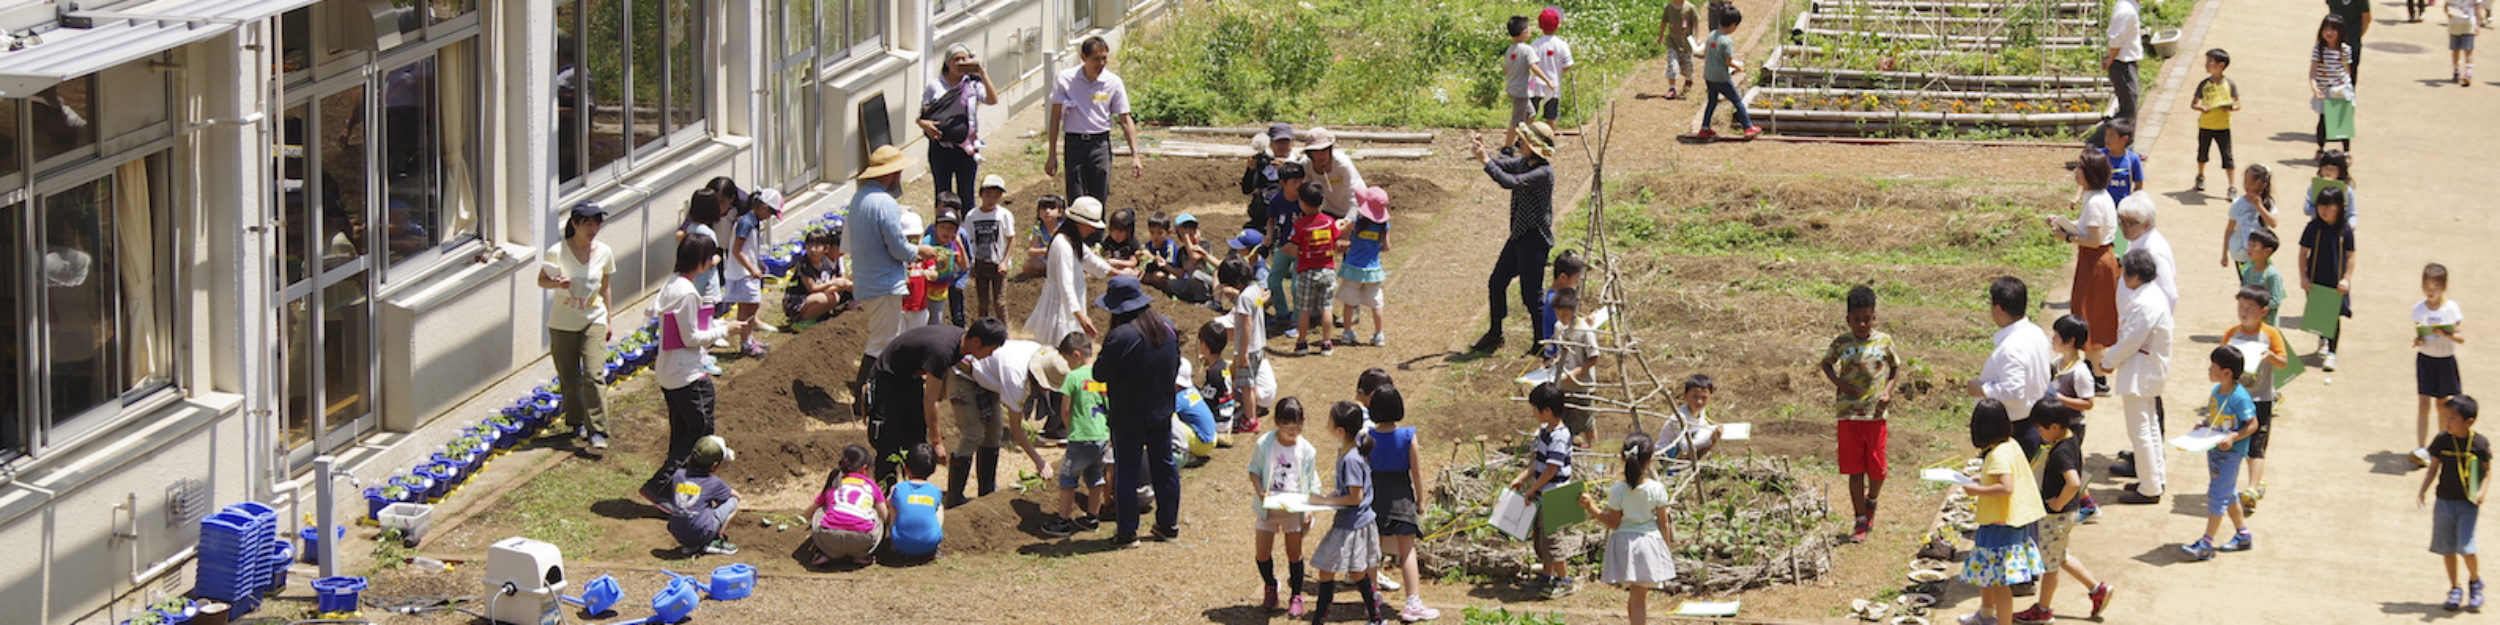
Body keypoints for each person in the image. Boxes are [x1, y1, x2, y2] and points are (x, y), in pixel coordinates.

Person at [639, 234, 748, 511]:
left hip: (670, 372)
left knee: (682, 432)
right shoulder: (687, 293)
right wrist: (726, 329)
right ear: (700, 259)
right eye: (711, 257)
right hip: (687, 374)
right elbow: (690, 338)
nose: (714, 261)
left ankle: (676, 489)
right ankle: (661, 486)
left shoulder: (672, 285)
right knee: (699, 434)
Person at [847, 146, 940, 415]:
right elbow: (897, 246)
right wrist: (918, 252)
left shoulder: (859, 198)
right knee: (882, 342)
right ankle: (866, 399)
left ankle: (873, 397)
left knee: (884, 339)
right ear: (892, 173)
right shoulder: (884, 202)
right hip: (883, 282)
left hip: (869, 279)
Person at [1099, 275, 1186, 545]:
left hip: (1128, 416)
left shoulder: (1120, 336)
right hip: (1161, 411)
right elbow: (1176, 363)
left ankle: (1127, 532)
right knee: (1165, 466)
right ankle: (1168, 525)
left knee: (1127, 469)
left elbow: (1100, 372)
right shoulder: (1167, 327)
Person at [2012, 399, 2115, 623]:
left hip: (2056, 515)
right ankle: (2097, 589)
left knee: (2050, 565)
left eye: (2040, 429)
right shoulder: (2070, 438)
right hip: (2067, 513)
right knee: (2060, 555)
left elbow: (2074, 482)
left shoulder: (2060, 452)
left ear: (2055, 426)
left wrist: (2058, 502)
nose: (2038, 433)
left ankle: (2044, 609)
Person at [870, 320, 1008, 485]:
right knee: (888, 440)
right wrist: (937, 442)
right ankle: (885, 493)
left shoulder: (961, 344)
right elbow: (931, 399)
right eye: (990, 349)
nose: (991, 355)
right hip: (888, 379)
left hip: (911, 378)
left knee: (915, 437)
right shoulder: (942, 350)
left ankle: (913, 492)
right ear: (977, 342)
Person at [1469, 122, 1559, 354]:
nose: (1519, 144)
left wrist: (1485, 161)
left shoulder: (1542, 173)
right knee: (1496, 282)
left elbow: (1509, 181)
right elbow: (1502, 164)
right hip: (1519, 236)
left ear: (1534, 147)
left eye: (1524, 141)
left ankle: (1542, 343)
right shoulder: (1523, 163)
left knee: (1532, 296)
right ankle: (1495, 333)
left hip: (1534, 240)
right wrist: (1483, 150)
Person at [1957, 399, 2048, 625]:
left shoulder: (1997, 455)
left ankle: (2002, 621)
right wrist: (1984, 479)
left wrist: (1976, 489)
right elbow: (2005, 477)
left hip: (2001, 523)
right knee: (1987, 572)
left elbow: (2006, 487)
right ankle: (1986, 614)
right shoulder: (2010, 444)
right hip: (2008, 520)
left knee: (1999, 581)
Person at [1826, 284, 1904, 542]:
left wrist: (1888, 391)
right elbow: (1826, 364)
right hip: (1848, 415)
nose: (1862, 325)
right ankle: (1860, 518)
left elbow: (1894, 369)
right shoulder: (1841, 343)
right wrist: (1839, 383)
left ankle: (1872, 500)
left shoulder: (1884, 342)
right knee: (1854, 469)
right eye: (1857, 320)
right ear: (1848, 319)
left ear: (1874, 317)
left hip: (1875, 415)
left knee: (1878, 468)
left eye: (1867, 319)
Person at [1302, 401, 1388, 624]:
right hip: (1356, 521)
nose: (1326, 424)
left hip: (1351, 524)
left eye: (1329, 421)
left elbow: (1354, 497)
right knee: (1357, 572)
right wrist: (1327, 499)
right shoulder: (1350, 450)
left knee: (1326, 567)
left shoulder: (1350, 458)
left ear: (1340, 430)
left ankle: (1320, 618)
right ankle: (1375, 616)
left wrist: (1323, 500)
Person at [1577, 432, 1676, 625]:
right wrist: (1666, 548)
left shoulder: (1617, 491)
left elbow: (1613, 522)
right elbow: (1664, 523)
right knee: (1639, 599)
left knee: (1635, 596)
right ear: (1651, 458)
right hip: (1647, 545)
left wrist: (1591, 508)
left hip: (1625, 546)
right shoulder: (1657, 489)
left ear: (1623, 457)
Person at [947, 334, 1057, 506]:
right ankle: (954, 498)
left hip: (988, 380)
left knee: (994, 433)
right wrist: (1039, 461)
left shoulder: (1038, 351)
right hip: (964, 374)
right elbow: (1016, 429)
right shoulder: (1016, 379)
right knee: (973, 435)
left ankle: (987, 491)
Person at [542, 201, 615, 448]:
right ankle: (576, 421)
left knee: (593, 374)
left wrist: (609, 319)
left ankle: (599, 431)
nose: (594, 228)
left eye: (597, 222)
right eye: (588, 223)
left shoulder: (604, 252)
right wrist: (557, 284)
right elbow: (542, 280)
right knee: (569, 377)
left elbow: (605, 287)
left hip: (593, 318)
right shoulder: (557, 251)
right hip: (563, 323)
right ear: (574, 224)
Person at [2102, 250, 2174, 504]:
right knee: (2150, 427)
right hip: (2147, 367)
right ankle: (2152, 478)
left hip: (2141, 370)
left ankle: (2150, 487)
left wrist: (2108, 361)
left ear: (2133, 276)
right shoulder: (2152, 295)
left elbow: (2130, 340)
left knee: (2141, 430)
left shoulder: (2145, 303)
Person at [1367, 385, 1439, 621]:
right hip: (1402, 498)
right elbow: (1416, 472)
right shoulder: (1408, 436)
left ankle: (1371, 596)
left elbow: (1364, 469)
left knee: (1373, 551)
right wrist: (1420, 500)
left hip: (1375, 499)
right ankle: (1412, 602)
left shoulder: (1368, 437)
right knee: (1407, 551)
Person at [2180, 347, 2259, 561]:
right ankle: (2243, 535)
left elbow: (2253, 424)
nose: (2208, 370)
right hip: (2215, 449)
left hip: (2231, 454)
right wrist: (2204, 424)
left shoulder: (2240, 397)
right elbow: (2216, 418)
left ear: (2227, 373)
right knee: (2228, 492)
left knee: (2217, 495)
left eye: (2213, 367)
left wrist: (2233, 437)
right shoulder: (2216, 391)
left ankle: (2206, 543)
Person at [1044, 36, 1144, 202]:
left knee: (1099, 196)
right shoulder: (1066, 79)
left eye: (1104, 58)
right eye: (1096, 59)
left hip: (1100, 143)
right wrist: (1052, 154)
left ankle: (1098, 228)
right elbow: (1055, 117)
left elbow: (1125, 120)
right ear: (1083, 58)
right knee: (1076, 197)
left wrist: (1135, 154)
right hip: (1074, 143)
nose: (1101, 64)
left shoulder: (1113, 82)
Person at [2055, 150, 2121, 394]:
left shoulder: (2094, 202)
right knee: (2092, 315)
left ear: (2089, 173)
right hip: (2099, 260)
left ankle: (2099, 376)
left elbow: (2093, 240)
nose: (2076, 172)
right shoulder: (2098, 196)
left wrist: (2067, 236)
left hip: (2095, 261)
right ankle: (2096, 372)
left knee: (2088, 317)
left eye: (2079, 168)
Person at [2222, 285, 2291, 516]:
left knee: (2256, 444)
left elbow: (2284, 362)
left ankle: (2251, 488)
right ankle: (2239, 485)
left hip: (2261, 398)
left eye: (2250, 308)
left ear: (2263, 311)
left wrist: (2271, 356)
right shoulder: (2232, 333)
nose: (2243, 312)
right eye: (2241, 306)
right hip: (2235, 399)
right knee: (2233, 442)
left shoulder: (2270, 335)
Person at [1249, 398, 1320, 615]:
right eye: (1287, 427)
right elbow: (1254, 470)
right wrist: (1261, 492)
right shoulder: (1265, 444)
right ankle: (1270, 586)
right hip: (1269, 508)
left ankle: (1296, 595)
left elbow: (1312, 481)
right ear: (1277, 422)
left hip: (1294, 510)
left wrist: (1308, 509)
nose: (1293, 431)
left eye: (1297, 427)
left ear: (1303, 422)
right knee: (1262, 553)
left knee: (1294, 553)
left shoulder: (1306, 450)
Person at [2420, 395, 2489, 612]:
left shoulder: (2479, 443)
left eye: (2452, 418)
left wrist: (2482, 492)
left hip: (2468, 504)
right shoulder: (2442, 440)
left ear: (2468, 421)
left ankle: (2475, 582)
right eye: (2446, 417)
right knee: (2448, 548)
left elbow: (2487, 473)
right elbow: (2433, 468)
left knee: (2466, 548)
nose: (2447, 422)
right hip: (2444, 502)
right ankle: (2455, 588)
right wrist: (2423, 490)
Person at [1510, 382, 1579, 598]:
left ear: (1547, 410)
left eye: (1535, 409)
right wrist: (1522, 479)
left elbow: (1551, 469)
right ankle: (1546, 575)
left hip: (1555, 495)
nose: (1534, 413)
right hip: (1543, 493)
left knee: (1553, 539)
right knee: (1541, 536)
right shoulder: (1545, 432)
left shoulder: (1560, 436)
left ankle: (1564, 580)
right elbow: (1538, 463)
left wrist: (1533, 489)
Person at [1969, 277, 2054, 452]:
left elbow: (2014, 390)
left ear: (1999, 308)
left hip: (2014, 429)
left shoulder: (2011, 348)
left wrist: (1982, 389)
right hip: (2032, 420)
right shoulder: (2036, 333)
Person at [1042, 332, 1112, 537]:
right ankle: (1092, 518)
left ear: (1076, 355)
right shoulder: (1101, 377)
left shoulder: (1073, 377)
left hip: (1080, 437)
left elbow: (1065, 409)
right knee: (1095, 477)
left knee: (1067, 477)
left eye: (1066, 360)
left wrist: (1069, 427)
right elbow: (1108, 405)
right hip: (1101, 436)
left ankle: (1063, 521)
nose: (1067, 365)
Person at [1026, 197, 1117, 343]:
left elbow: (1091, 261)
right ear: (1079, 223)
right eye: (1090, 225)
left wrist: (1118, 273)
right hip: (1061, 307)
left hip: (1071, 306)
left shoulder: (1073, 239)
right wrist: (1081, 317)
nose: (1093, 230)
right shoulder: (1062, 245)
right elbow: (1065, 285)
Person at [920, 43, 998, 207]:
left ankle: (965, 228)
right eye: (956, 59)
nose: (960, 63)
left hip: (967, 149)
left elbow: (992, 100)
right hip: (941, 148)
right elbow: (922, 116)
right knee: (942, 194)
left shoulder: (972, 84)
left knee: (966, 194)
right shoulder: (935, 86)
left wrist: (982, 73)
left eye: (964, 59)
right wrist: (925, 125)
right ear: (947, 63)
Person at [2047, 315, 2105, 524]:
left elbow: (2088, 403)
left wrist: (2060, 399)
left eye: (2056, 336)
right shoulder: (2056, 364)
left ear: (2070, 341)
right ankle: (2086, 503)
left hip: (2072, 428)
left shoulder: (2080, 372)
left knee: (2068, 468)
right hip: (2056, 426)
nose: (2052, 340)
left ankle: (2085, 504)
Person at [2415, 264, 2469, 467]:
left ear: (2443, 287)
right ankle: (2421, 448)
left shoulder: (2451, 308)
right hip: (2425, 360)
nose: (2430, 291)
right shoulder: (2419, 309)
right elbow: (2420, 334)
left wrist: (2446, 333)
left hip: (2445, 360)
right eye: (2426, 286)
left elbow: (2461, 337)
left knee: (2443, 405)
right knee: (2423, 403)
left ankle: (2440, 446)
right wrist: (2418, 340)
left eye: (2434, 287)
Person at [2298, 187, 2356, 370]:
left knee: (2333, 317)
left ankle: (2332, 352)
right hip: (2316, 279)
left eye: (2329, 206)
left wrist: (2346, 278)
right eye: (2321, 206)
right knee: (2319, 314)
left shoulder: (2344, 230)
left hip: (2336, 281)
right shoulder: (2313, 227)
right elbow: (2302, 253)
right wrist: (2303, 276)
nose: (2324, 210)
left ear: (2339, 207)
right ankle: (2323, 340)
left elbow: (2351, 256)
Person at [1287, 181, 1345, 357]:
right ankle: (1326, 343)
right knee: (1326, 308)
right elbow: (1336, 243)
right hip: (1327, 270)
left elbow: (1294, 247)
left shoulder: (1300, 226)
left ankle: (1302, 342)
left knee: (1304, 309)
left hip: (1307, 271)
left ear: (1302, 203)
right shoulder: (1329, 222)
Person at [1220, 258, 1279, 428]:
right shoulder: (1254, 290)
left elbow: (1246, 325)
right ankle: (1251, 413)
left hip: (1249, 348)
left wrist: (1242, 352)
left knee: (1246, 385)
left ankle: (1250, 420)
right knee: (1251, 382)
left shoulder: (1244, 298)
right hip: (1259, 344)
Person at [723, 189, 783, 357]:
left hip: (748, 272)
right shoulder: (746, 223)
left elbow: (750, 249)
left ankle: (748, 338)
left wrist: (759, 264)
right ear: (763, 207)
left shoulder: (753, 222)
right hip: (743, 274)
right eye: (770, 212)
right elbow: (737, 250)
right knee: (746, 308)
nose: (769, 216)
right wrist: (752, 269)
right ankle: (745, 342)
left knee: (753, 306)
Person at [805, 445, 888, 566]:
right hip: (861, 542)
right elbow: (885, 516)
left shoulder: (834, 482)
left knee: (821, 511)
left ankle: (824, 553)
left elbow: (807, 514)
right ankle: (863, 556)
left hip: (831, 540)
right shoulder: (871, 485)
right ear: (865, 469)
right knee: (876, 514)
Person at [667, 435, 743, 556]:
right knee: (733, 502)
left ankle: (690, 547)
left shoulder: (678, 475)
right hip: (700, 533)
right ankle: (716, 540)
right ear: (714, 466)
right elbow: (737, 496)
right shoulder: (713, 482)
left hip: (677, 531)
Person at [1336, 187, 1392, 346]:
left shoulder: (1356, 223)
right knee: (1376, 304)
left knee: (1349, 303)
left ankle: (1347, 333)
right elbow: (1387, 247)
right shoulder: (1384, 226)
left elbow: (1342, 231)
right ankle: (1379, 334)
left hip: (1353, 268)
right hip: (1373, 270)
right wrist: (1374, 248)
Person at [1548, 288, 1601, 449]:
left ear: (1573, 311)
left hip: (1582, 387)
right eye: (1558, 314)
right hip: (1564, 385)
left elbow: (1594, 357)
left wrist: (1576, 373)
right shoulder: (1559, 327)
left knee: (1587, 423)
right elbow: (1558, 351)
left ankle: (1596, 455)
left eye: (1564, 315)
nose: (1561, 318)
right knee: (1565, 419)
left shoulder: (1584, 331)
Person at [1698, 7, 1760, 139]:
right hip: (1721, 77)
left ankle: (1705, 127)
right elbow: (1728, 62)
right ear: (1732, 25)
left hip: (1708, 75)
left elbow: (1706, 52)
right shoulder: (1727, 41)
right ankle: (1748, 127)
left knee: (1712, 101)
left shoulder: (1712, 35)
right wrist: (1738, 67)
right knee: (1737, 101)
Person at [1265, 162, 1309, 332]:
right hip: (1283, 246)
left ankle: (1298, 321)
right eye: (1294, 182)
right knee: (1273, 281)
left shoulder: (1305, 200)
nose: (1298, 186)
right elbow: (1271, 221)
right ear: (1283, 183)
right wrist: (1269, 235)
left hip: (1301, 249)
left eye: (1300, 182)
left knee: (1297, 285)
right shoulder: (1276, 201)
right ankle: (1283, 314)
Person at [2191, 49, 2240, 195]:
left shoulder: (2229, 84)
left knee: (2227, 156)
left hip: (2223, 126)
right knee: (2202, 153)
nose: (2207, 65)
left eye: (2210, 62)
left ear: (2221, 65)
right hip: (2205, 125)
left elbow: (2238, 104)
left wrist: (2230, 108)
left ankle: (2232, 186)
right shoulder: (2204, 84)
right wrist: (2201, 107)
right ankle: (2200, 176)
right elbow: (2194, 104)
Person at [966, 176, 1016, 321]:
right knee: (982, 303)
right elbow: (968, 241)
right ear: (981, 195)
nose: (991, 200)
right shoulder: (972, 216)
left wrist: (1005, 261)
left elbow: (1011, 238)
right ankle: (983, 331)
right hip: (980, 263)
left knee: (999, 302)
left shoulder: (1004, 215)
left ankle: (1005, 333)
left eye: (996, 196)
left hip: (998, 264)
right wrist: (971, 264)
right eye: (988, 195)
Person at [2116, 193, 2177, 311]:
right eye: (2121, 221)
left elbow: (2169, 294)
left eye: (2129, 223)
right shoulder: (2135, 239)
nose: (2123, 227)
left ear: (2147, 224)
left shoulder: (2153, 252)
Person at [1240, 123, 1303, 232]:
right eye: (1278, 142)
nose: (1282, 146)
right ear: (1270, 143)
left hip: (1285, 219)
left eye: (1286, 142)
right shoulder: (1264, 163)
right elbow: (1247, 189)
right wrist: (1251, 170)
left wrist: (1285, 171)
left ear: (1292, 143)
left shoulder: (1299, 166)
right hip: (1260, 218)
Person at [785, 227, 853, 326]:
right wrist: (834, 283)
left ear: (826, 249)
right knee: (822, 298)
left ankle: (815, 317)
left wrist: (841, 284)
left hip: (812, 297)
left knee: (834, 297)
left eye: (817, 246)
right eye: (809, 245)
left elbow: (829, 282)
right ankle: (800, 322)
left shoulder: (825, 263)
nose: (813, 249)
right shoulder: (804, 265)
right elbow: (812, 288)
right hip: (797, 300)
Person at [889, 443, 947, 559]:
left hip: (901, 544)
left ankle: (892, 544)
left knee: (892, 503)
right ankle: (934, 546)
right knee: (939, 506)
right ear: (935, 469)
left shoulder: (897, 489)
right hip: (929, 544)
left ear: (906, 468)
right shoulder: (935, 491)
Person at [2311, 15, 2357, 156]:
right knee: (2323, 121)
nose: (2329, 33)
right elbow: (2312, 71)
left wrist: (2346, 87)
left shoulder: (2345, 50)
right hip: (2325, 91)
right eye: (2326, 29)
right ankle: (2320, 149)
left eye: (2333, 30)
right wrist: (2315, 88)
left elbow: (2347, 70)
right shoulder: (2318, 49)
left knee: (2343, 121)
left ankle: (2346, 152)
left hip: (2341, 90)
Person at [1503, 15, 1558, 128]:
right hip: (1521, 91)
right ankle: (1511, 143)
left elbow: (1506, 70)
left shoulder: (1510, 49)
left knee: (1530, 114)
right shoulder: (1527, 49)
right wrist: (1548, 81)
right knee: (1517, 120)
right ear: (1524, 31)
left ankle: (1524, 140)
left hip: (1513, 89)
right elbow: (1534, 67)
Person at [1303, 128, 1368, 219]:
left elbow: (1355, 195)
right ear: (1310, 154)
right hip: (1328, 211)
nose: (1321, 156)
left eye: (1324, 150)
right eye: (1316, 152)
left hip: (1357, 208)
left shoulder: (1343, 164)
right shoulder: (1306, 165)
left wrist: (1348, 220)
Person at [1659, 374, 1724, 462]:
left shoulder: (1701, 411)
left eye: (1704, 397)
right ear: (1685, 396)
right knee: (1710, 438)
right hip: (1667, 454)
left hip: (1684, 447)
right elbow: (1685, 447)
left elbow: (1702, 426)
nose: (1699, 401)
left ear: (1710, 397)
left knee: (1711, 437)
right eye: (1695, 396)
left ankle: (1693, 462)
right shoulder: (1679, 418)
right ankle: (1676, 468)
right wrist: (1710, 438)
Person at [2223, 165, 2276, 273]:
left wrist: (2259, 206)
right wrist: (2224, 253)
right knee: (2247, 285)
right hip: (2241, 254)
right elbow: (2229, 228)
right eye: (2245, 182)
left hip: (2259, 255)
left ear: (2263, 185)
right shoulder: (2238, 203)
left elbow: (2273, 223)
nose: (2247, 186)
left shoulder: (2268, 203)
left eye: (2251, 183)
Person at [924, 204, 970, 328]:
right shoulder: (927, 242)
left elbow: (965, 266)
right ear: (935, 227)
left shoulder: (952, 245)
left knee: (935, 324)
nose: (946, 231)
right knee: (922, 323)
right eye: (942, 227)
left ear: (955, 232)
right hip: (924, 291)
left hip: (940, 292)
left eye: (950, 228)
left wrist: (959, 244)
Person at [2102, 0, 2145, 127]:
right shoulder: (2126, 10)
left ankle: (2123, 143)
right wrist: (2111, 58)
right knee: (2128, 112)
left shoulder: (2129, 7)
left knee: (2129, 108)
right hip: (2122, 64)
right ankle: (2098, 142)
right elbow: (2116, 38)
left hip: (2125, 63)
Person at [1540, 251, 1588, 361]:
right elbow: (1567, 327)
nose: (1577, 284)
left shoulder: (1554, 296)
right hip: (1558, 355)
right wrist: (1587, 324)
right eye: (1576, 280)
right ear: (1563, 277)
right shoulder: (1556, 301)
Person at [1532, 6, 1575, 123]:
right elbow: (1568, 64)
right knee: (1551, 116)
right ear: (1558, 25)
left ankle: (1524, 139)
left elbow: (1530, 64)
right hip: (1553, 83)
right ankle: (1550, 139)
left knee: (1530, 114)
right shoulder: (1561, 45)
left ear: (1540, 25)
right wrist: (1558, 72)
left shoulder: (1535, 44)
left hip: (1534, 84)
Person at [2241, 228, 2286, 327]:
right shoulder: (2248, 271)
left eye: (2254, 246)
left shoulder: (2273, 274)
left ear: (2267, 251)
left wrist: (2256, 306)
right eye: (2249, 245)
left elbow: (2276, 300)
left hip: (2268, 324)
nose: (2249, 249)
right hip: (2249, 322)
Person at [1658, 0, 1702, 99]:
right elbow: (1664, 22)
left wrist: (1698, 37)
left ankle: (1689, 79)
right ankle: (1672, 88)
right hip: (1672, 42)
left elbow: (1696, 22)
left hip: (1686, 43)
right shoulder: (1669, 8)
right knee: (1672, 64)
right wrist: (1660, 37)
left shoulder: (1690, 8)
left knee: (1687, 67)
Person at [2303, 150, 2360, 225]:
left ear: (2341, 170)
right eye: (2325, 168)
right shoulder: (2313, 186)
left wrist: (2351, 226)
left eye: (2332, 169)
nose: (2328, 172)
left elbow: (2352, 214)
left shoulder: (2347, 189)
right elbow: (2307, 209)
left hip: (2339, 228)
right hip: (2318, 226)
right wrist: (2324, 211)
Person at [2326, 0, 2372, 84]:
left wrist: (2357, 35)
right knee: (2329, 77)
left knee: (2349, 78)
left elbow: (2366, 18)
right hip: (2334, 42)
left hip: (2351, 44)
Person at [2101, 119, 2145, 204]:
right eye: (2106, 135)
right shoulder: (2100, 156)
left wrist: (2132, 202)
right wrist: (2077, 196)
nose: (2107, 139)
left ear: (2124, 139)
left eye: (2111, 136)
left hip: (2122, 208)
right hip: (2103, 206)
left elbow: (2139, 186)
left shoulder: (2133, 159)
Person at [1022, 195, 1066, 279]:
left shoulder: (1065, 227)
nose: (1047, 211)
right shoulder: (1038, 229)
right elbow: (1031, 251)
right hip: (1046, 260)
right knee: (1028, 265)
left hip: (1063, 258)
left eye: (1052, 208)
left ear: (1060, 212)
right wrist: (1042, 251)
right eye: (1043, 208)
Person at [2451, 0, 2482, 85]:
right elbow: (2447, 5)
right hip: (2455, 24)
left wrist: (2478, 24)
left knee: (2468, 50)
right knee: (2455, 50)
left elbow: (2478, 7)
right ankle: (2456, 70)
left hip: (2469, 24)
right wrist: (2448, 14)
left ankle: (2468, 74)